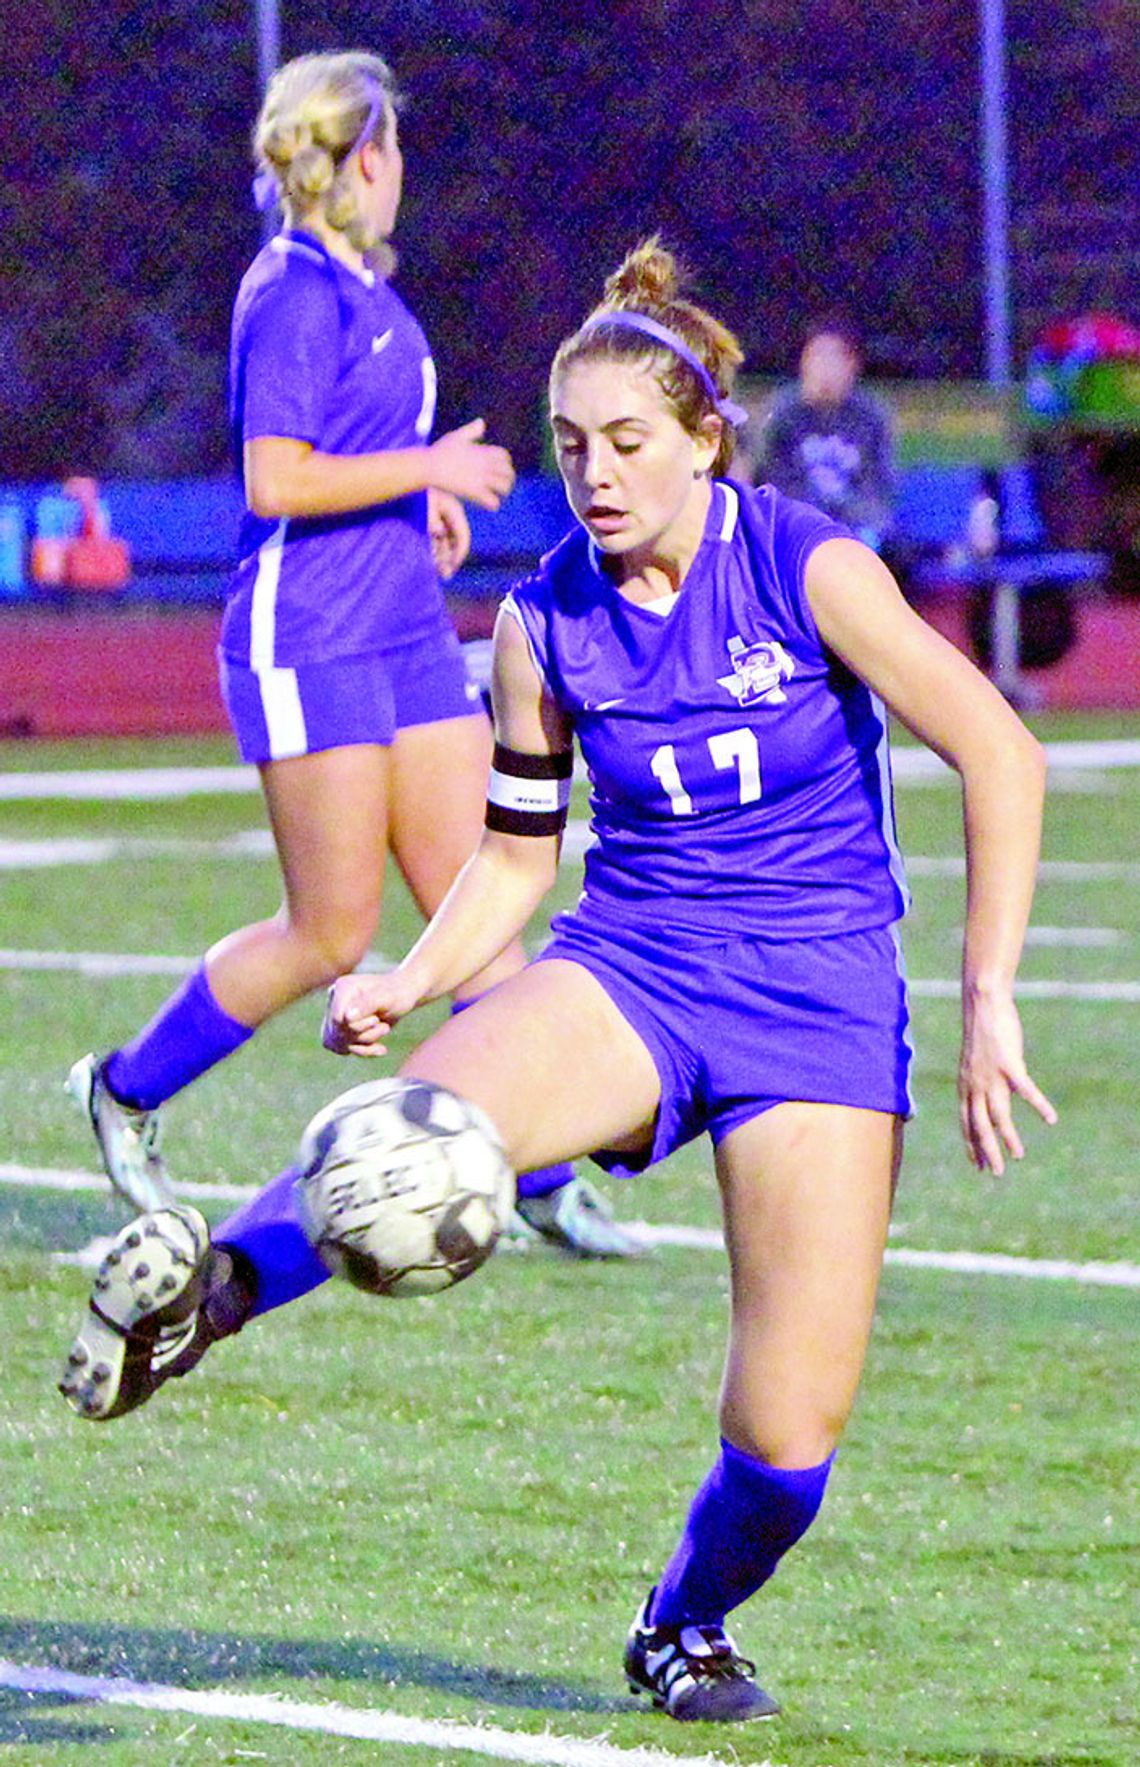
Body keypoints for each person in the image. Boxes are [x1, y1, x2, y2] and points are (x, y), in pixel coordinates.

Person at [59, 239, 1056, 1724]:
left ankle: (684, 1615)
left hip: (823, 1001)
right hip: (636, 968)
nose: (595, 473)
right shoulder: (543, 621)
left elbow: (999, 746)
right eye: (572, 446)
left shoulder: (803, 563)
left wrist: (986, 989)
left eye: (629, 442)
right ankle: (203, 1302)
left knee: (787, 1442)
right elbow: (520, 860)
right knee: (409, 1128)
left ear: (706, 439)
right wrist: (418, 970)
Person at [65, 48, 636, 1259]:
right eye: (398, 152)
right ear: (367, 157)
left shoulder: (373, 293)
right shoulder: (289, 293)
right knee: (329, 932)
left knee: (477, 897)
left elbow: (349, 463)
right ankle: (122, 1089)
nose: (402, 173)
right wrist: (427, 471)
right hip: (306, 636)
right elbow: (276, 479)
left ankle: (540, 1174)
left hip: (404, 635)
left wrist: (416, 508)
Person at [759, 313, 895, 554]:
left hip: (856, 527)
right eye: (817, 357)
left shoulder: (870, 416)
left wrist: (855, 523)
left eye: (834, 358)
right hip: (794, 526)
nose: (825, 368)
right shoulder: (783, 415)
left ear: (853, 365)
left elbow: (878, 486)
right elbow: (771, 481)